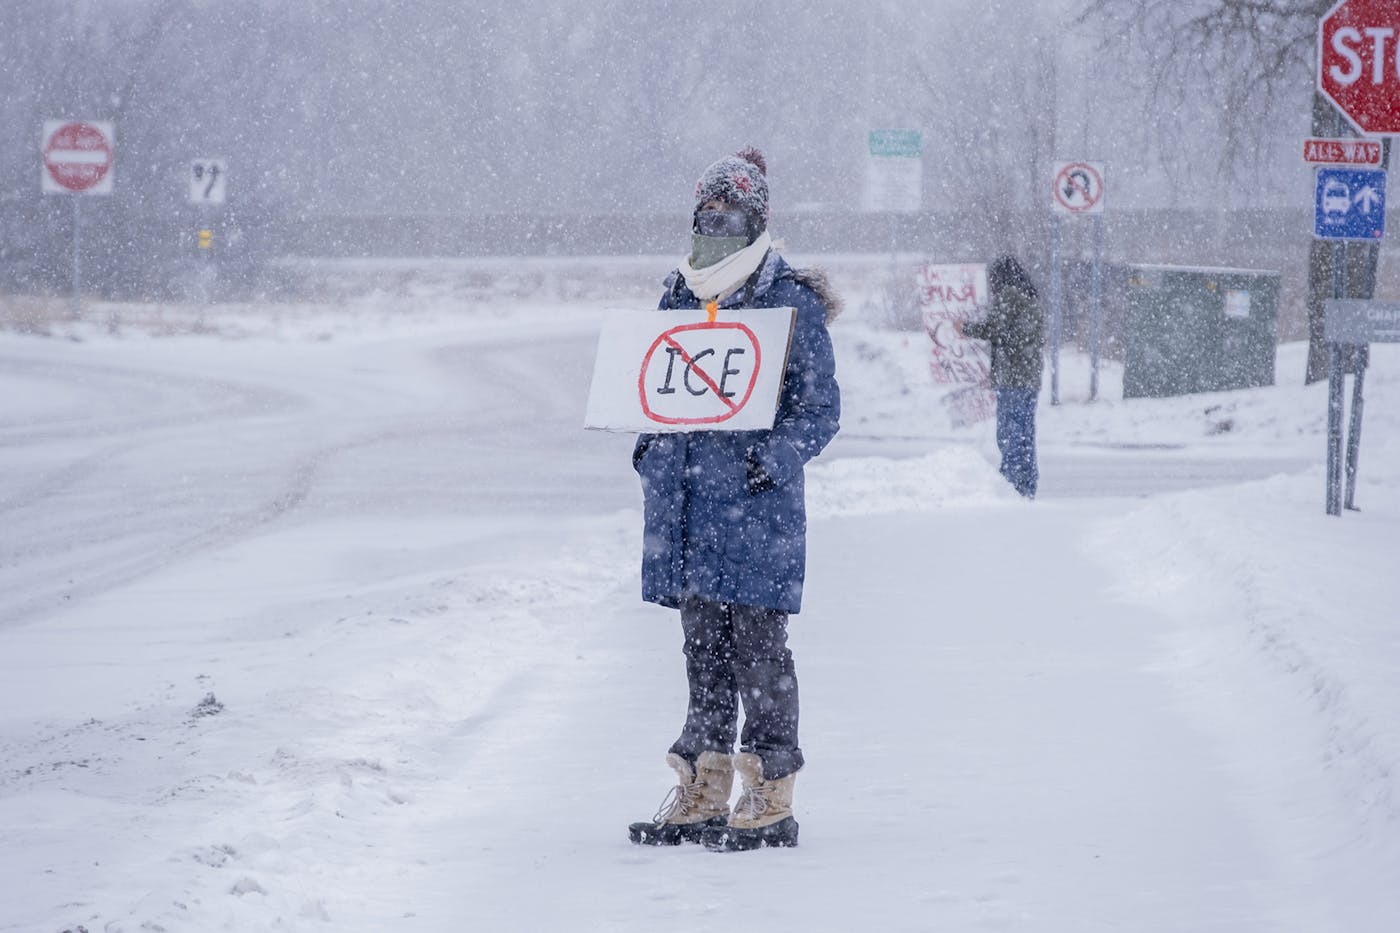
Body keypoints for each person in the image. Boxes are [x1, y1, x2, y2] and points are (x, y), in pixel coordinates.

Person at [626, 148, 841, 852]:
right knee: (704, 654)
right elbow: (656, 387)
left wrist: (768, 460)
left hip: (756, 514)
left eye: (730, 214)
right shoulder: (679, 294)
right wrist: (649, 446)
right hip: (690, 510)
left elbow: (819, 409)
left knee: (760, 654)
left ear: (756, 221)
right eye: (706, 214)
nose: (716, 224)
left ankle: (770, 790)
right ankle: (705, 783)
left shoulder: (788, 300)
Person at [960, 255, 1045, 498]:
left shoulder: (1009, 296)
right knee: (1026, 434)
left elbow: (996, 330)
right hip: (1030, 378)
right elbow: (1020, 338)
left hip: (1012, 378)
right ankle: (1027, 483)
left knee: (1009, 434)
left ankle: (1011, 485)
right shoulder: (1031, 298)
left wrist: (965, 328)